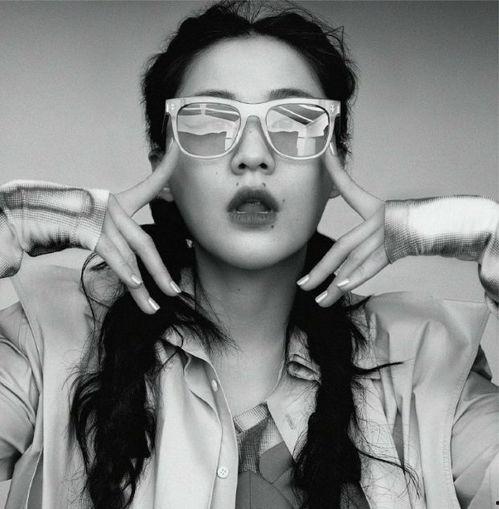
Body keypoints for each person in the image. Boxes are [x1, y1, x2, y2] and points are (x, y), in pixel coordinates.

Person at [0, 1, 497, 508]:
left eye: (296, 122)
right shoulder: (53, 340)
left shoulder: (422, 365)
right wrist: (9, 222)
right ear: (164, 173)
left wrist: (490, 237)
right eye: (209, 122)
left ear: (334, 171)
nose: (253, 155)